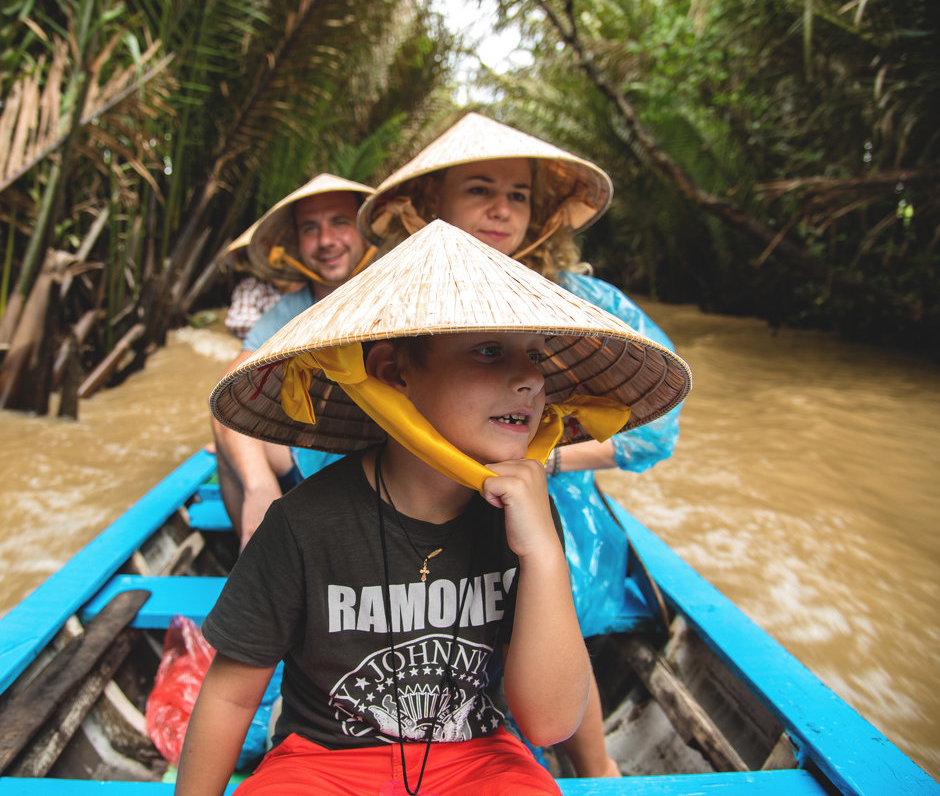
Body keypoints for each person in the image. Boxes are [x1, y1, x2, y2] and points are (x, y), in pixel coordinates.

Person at [181, 220, 691, 795]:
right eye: (489, 351)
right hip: (324, 762)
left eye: (535, 356)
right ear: (395, 373)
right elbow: (229, 694)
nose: (528, 378)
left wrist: (544, 552)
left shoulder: (525, 516)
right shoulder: (303, 524)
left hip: (477, 758)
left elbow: (548, 723)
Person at [358, 112, 683, 778]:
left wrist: (540, 461)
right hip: (424, 512)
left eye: (519, 195)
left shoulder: (581, 302)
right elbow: (340, 432)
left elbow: (655, 431)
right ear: (431, 203)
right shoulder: (390, 301)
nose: (502, 211)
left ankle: (595, 769)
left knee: (547, 589)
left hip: (556, 507)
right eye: (480, 190)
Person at [210, 174, 374, 546]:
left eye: (340, 223)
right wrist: (258, 484)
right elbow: (228, 391)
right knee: (226, 425)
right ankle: (258, 561)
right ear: (297, 244)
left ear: (365, 230)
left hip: (389, 467)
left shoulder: (401, 297)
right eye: (310, 229)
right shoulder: (287, 312)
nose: (326, 241)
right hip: (311, 465)